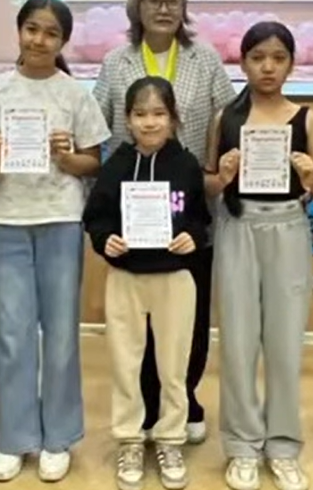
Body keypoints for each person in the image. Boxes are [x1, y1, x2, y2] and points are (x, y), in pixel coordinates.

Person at [94, 0, 235, 444]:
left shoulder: (204, 57)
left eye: (173, 1)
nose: (163, 8)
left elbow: (226, 116)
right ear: (137, 7)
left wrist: (215, 169)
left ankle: (185, 399)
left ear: (184, 8)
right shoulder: (116, 61)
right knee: (139, 322)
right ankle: (146, 407)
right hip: (131, 211)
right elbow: (96, 122)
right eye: (153, 0)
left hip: (186, 209)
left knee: (186, 318)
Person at [0, 0, 110, 483]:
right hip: (8, 219)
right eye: (32, 29)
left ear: (63, 41)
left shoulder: (75, 95)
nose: (39, 40)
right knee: (11, 335)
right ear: (19, 31)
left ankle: (58, 437)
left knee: (61, 333)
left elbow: (92, 163)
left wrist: (67, 157)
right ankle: (14, 439)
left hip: (61, 219)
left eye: (51, 33)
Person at [205, 22, 313, 490]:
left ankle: (282, 445)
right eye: (258, 57)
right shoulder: (226, 117)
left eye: (278, 58)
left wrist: (312, 177)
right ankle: (241, 445)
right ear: (242, 62)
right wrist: (221, 177)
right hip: (238, 228)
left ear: (291, 64)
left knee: (284, 344)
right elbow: (206, 184)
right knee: (238, 342)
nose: (268, 67)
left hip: (288, 229)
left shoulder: (306, 119)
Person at [83, 76, 210, 490]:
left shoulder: (186, 165)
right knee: (126, 365)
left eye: (158, 113)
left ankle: (170, 439)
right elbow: (96, 217)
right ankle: (130, 440)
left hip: (175, 279)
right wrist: (105, 240)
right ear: (127, 119)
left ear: (173, 118)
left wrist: (192, 236)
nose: (149, 122)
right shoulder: (116, 166)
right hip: (125, 279)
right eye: (140, 114)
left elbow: (199, 218)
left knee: (173, 367)